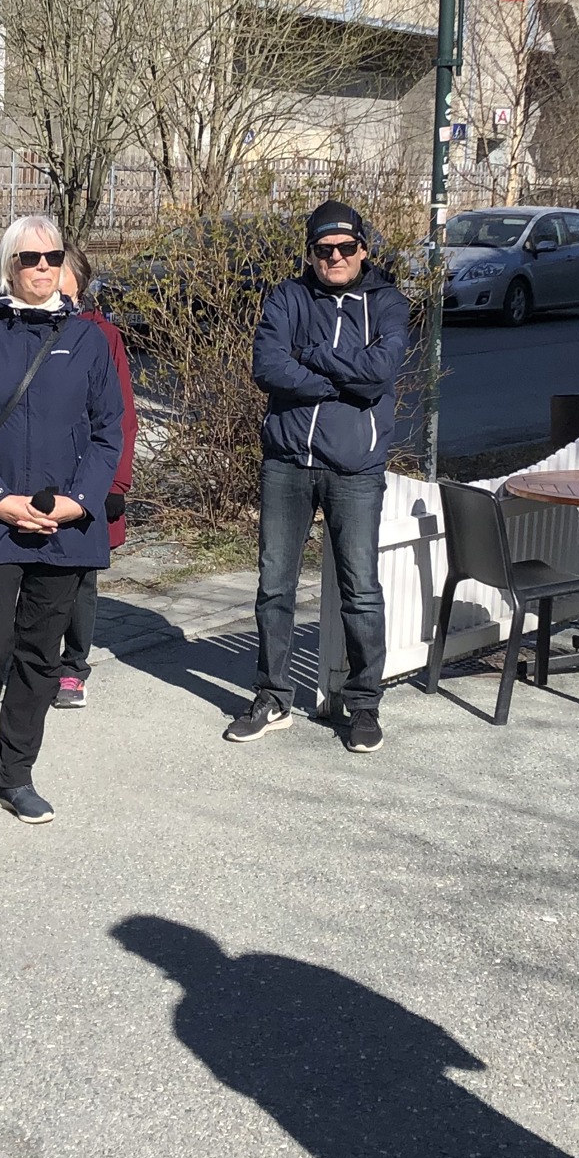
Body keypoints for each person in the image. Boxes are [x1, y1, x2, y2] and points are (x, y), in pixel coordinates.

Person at [0, 214, 128, 835]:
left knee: (40, 656)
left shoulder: (89, 338)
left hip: (65, 523)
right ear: (8, 266)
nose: (43, 267)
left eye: (52, 257)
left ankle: (15, 774)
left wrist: (80, 500)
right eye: (29, 258)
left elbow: (110, 431)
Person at [231, 200, 409, 754]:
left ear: (363, 250)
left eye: (346, 248)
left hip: (355, 469)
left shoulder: (388, 303)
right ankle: (272, 696)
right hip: (287, 462)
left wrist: (312, 356)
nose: (335, 257)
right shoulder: (288, 297)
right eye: (324, 249)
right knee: (274, 587)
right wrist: (342, 381)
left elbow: (380, 373)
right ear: (310, 254)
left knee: (361, 590)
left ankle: (364, 704)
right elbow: (268, 366)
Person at [51, 246, 135, 712]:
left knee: (81, 577)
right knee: (37, 575)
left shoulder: (104, 336)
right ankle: (37, 662)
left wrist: (116, 484)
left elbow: (121, 416)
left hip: (89, 474)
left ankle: (73, 667)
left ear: (80, 283)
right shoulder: (19, 329)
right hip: (38, 475)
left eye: (58, 271)